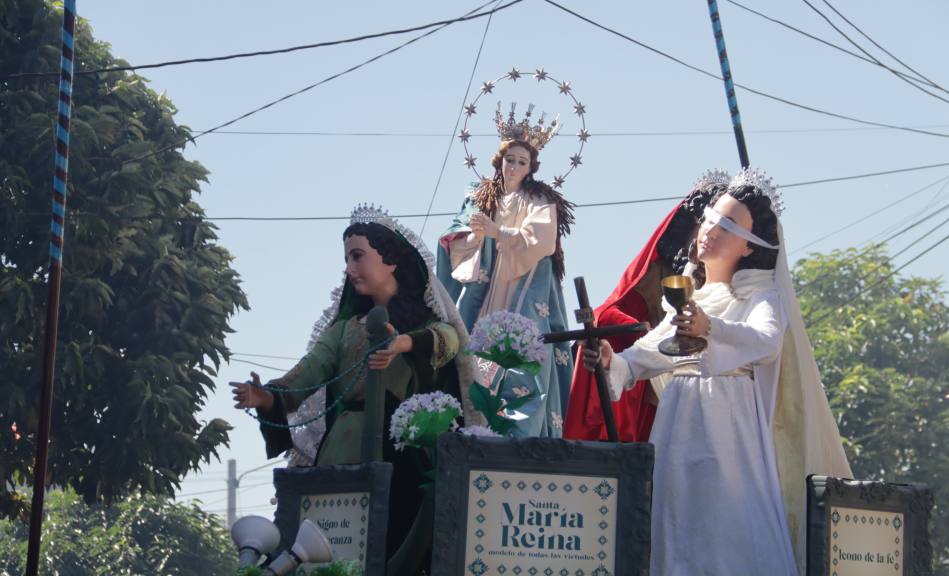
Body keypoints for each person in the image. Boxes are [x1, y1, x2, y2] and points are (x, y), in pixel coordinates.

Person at [584, 169, 851, 576]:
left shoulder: (762, 295)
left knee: (723, 528)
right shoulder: (691, 295)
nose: (710, 230)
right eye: (710, 218)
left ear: (749, 246)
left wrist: (713, 328)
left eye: (727, 225)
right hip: (678, 424)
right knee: (676, 521)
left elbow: (765, 340)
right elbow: (645, 356)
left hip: (728, 425)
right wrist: (612, 362)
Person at [232, 204, 480, 572]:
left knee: (396, 542)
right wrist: (265, 397)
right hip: (341, 448)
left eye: (358, 257)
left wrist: (402, 345)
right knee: (332, 539)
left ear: (392, 260)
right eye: (347, 259)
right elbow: (307, 375)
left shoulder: (423, 324)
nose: (349, 269)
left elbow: (448, 340)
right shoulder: (346, 330)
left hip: (400, 453)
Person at [436, 103, 575, 437]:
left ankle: (519, 434)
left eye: (521, 162)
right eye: (509, 159)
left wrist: (499, 233)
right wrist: (473, 235)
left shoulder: (540, 199)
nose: (514, 166)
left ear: (531, 168)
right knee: (477, 359)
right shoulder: (480, 195)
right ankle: (481, 424)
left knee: (524, 361)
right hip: (485, 291)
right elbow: (456, 234)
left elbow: (541, 241)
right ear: (499, 162)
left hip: (522, 287)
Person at [563, 171, 725, 442]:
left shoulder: (734, 285)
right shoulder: (664, 270)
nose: (708, 235)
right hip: (656, 378)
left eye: (721, 227)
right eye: (705, 224)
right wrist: (639, 334)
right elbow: (613, 312)